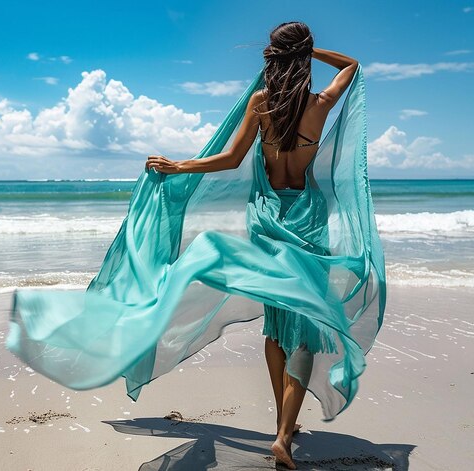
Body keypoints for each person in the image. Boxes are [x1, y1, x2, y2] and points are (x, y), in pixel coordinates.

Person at [146, 22, 359, 469]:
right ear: (302, 58)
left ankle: (284, 422)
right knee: (305, 323)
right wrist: (312, 53)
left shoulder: (261, 103)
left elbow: (230, 158)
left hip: (266, 219)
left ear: (273, 59)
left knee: (276, 324)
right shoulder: (320, 104)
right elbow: (353, 65)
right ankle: (283, 434)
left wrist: (178, 165)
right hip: (306, 219)